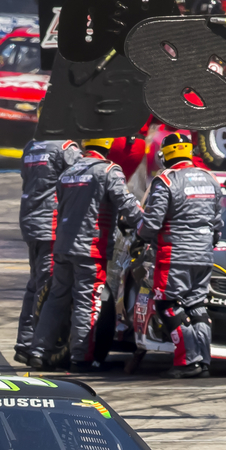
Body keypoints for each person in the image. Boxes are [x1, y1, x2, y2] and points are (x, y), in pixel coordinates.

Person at [35, 137, 142, 370]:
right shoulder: (108, 170)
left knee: (56, 299)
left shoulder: (68, 172)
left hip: (63, 245)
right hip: (91, 249)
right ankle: (81, 357)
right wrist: (148, 224)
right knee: (87, 301)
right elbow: (127, 205)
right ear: (108, 146)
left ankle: (38, 351)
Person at [136, 132, 224, 378]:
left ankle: (186, 362)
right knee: (197, 306)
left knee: (168, 304)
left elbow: (152, 222)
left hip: (174, 255)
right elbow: (218, 222)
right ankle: (203, 362)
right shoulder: (210, 178)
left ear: (167, 154)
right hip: (204, 255)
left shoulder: (166, 179)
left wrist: (139, 237)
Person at [15, 136, 81, 366]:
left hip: (31, 221)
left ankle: (25, 344)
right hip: (50, 225)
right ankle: (40, 348)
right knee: (48, 287)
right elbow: (80, 181)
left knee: (35, 284)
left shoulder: (31, 145)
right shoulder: (66, 148)